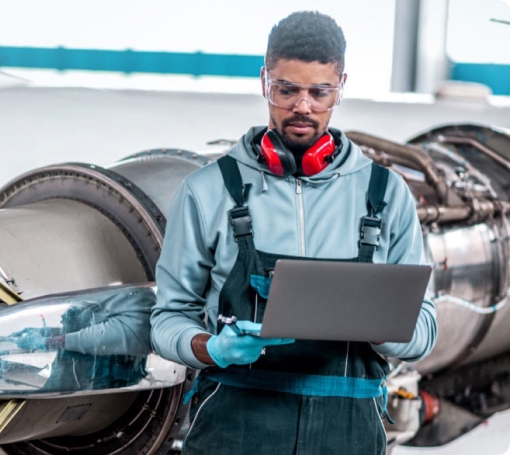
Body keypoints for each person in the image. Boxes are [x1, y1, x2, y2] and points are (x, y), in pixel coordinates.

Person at [151, 10, 437, 455]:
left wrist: (383, 328)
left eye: (319, 92)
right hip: (235, 426)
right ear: (265, 82)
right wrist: (213, 348)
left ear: (341, 87)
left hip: (349, 433)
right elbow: (166, 318)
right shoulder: (208, 191)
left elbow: (426, 327)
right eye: (287, 90)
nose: (302, 107)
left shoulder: (385, 194)